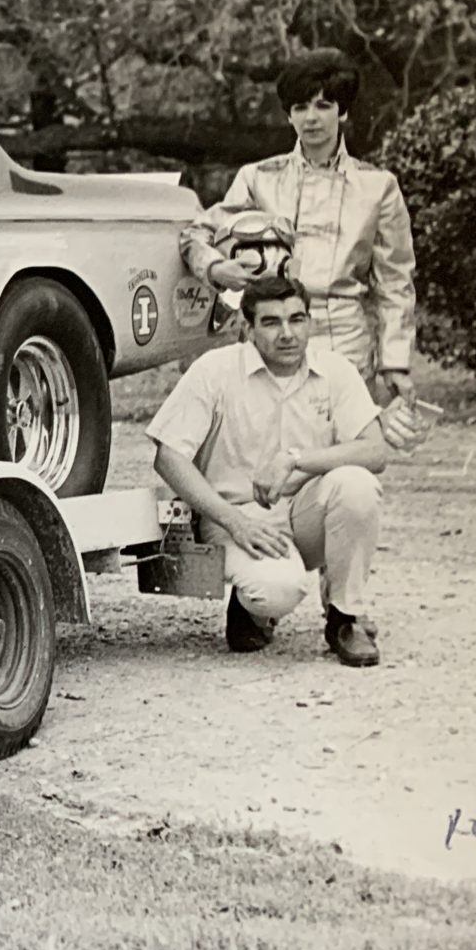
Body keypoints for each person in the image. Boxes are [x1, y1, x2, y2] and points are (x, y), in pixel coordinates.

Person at [146, 275, 390, 666]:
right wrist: (234, 522)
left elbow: (374, 451)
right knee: (278, 589)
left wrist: (295, 459)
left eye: (297, 319)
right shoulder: (215, 370)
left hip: (305, 511)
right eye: (271, 322)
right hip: (234, 518)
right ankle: (254, 610)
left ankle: (345, 619)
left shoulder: (335, 371)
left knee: (356, 485)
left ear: (310, 321)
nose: (287, 334)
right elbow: (168, 457)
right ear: (247, 328)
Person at [181, 49, 417, 402]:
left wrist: (394, 362)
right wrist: (217, 268)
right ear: (289, 116)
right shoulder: (258, 178)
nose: (311, 118)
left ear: (343, 110)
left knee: (344, 452)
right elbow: (194, 235)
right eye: (300, 107)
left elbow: (395, 281)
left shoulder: (378, 186)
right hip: (269, 337)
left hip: (345, 343)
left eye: (323, 106)